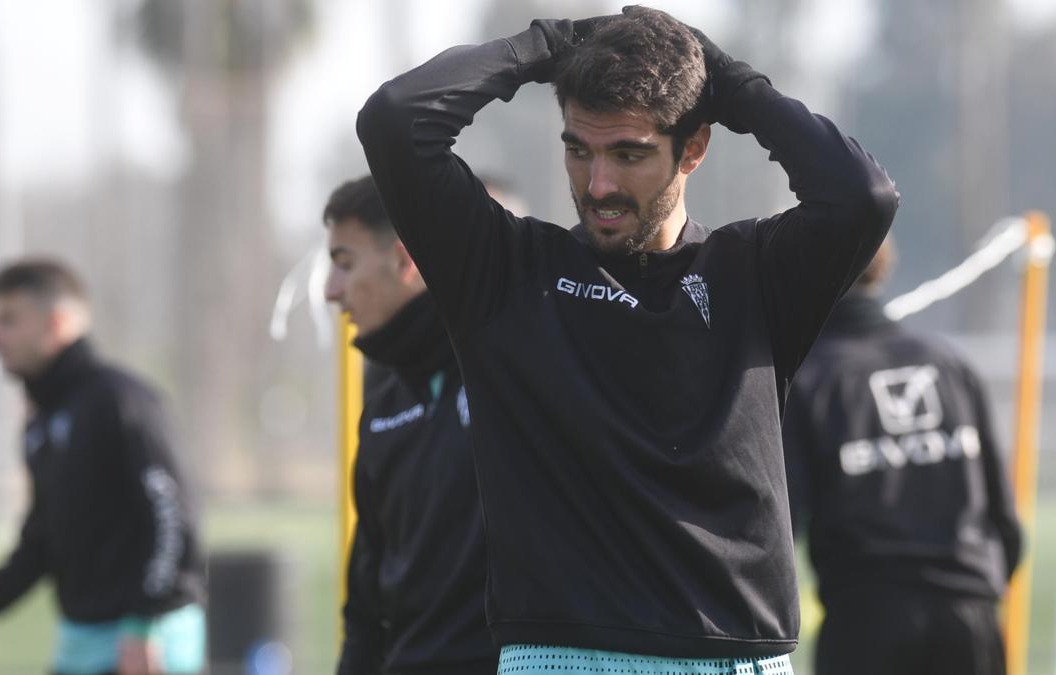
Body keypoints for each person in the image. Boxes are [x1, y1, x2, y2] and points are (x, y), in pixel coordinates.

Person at [356, 6, 897, 672]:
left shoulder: (754, 273)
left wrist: (724, 77)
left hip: (737, 658)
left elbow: (862, 195)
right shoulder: (501, 271)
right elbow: (395, 118)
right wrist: (549, 44)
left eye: (629, 153)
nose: (598, 184)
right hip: (560, 659)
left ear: (693, 147)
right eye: (578, 149)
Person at [0, 259, 205, 675]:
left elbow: (174, 518)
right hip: (83, 646)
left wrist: (143, 624)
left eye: (8, 320)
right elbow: (40, 545)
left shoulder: (119, 401)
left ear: (56, 323)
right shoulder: (42, 422)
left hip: (144, 652)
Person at [782, 239, 1022, 675]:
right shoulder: (949, 364)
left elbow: (782, 521)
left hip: (866, 623)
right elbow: (1004, 517)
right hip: (969, 616)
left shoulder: (810, 380)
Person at [325, 175, 498, 674]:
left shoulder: (510, 372)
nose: (330, 291)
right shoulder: (383, 401)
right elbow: (364, 607)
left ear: (404, 261)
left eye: (344, 264)